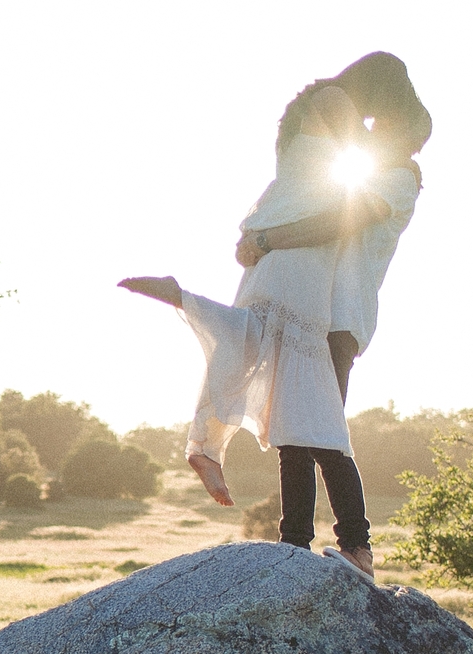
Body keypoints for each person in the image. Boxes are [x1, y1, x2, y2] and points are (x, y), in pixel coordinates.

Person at [119, 53, 429, 575]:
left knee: (321, 428)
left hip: (341, 315)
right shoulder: (367, 165)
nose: (381, 134)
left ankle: (356, 547)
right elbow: (317, 197)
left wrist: (265, 237)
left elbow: (337, 220)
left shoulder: (397, 180)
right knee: (293, 430)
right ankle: (295, 546)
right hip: (314, 302)